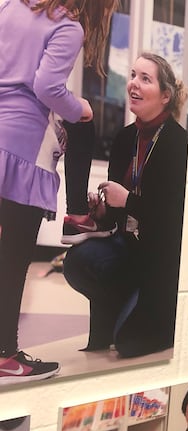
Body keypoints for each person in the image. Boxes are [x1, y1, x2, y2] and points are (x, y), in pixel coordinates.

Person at [0, 0, 116, 384]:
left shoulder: (10, 5)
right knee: (13, 260)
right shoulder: (67, 26)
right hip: (23, 148)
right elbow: (47, 86)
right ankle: (5, 356)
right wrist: (80, 108)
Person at [63, 53, 188, 358]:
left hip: (161, 261)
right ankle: (121, 305)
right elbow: (116, 218)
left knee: (129, 344)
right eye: (132, 75)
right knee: (77, 261)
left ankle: (149, 312)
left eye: (145, 78)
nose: (133, 83)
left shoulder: (179, 142)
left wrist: (128, 200)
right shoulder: (124, 138)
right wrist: (103, 212)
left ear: (165, 96)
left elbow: (175, 218)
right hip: (128, 248)